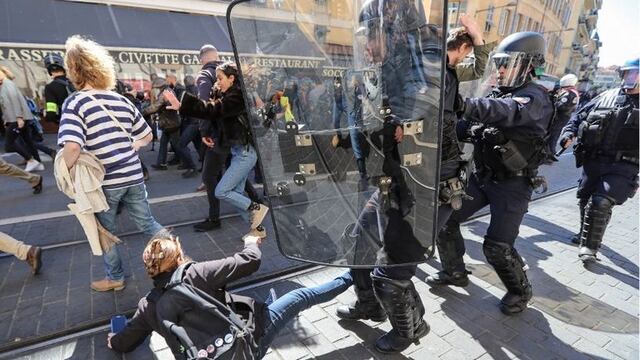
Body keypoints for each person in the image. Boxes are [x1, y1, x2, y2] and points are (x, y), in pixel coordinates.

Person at [426, 31, 554, 316]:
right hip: (482, 177)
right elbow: (468, 123)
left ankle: (520, 290)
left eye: (509, 64)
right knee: (446, 220)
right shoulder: (499, 92)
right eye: (501, 64)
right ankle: (454, 271)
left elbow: (505, 111)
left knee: (497, 247)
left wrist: (464, 105)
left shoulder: (535, 97)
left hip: (514, 183)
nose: (503, 70)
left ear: (529, 65)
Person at [107, 233, 352, 358]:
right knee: (300, 297)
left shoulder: (147, 306)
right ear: (179, 257)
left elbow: (127, 340)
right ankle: (353, 276)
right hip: (245, 347)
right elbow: (250, 260)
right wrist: (251, 241)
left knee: (255, 306)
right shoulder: (197, 273)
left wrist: (113, 340)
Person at [58, 35, 167, 292]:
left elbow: (72, 146)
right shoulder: (121, 100)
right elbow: (147, 135)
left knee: (105, 232)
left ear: (74, 69)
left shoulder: (75, 103)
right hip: (132, 175)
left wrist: (68, 174)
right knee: (147, 223)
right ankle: (176, 258)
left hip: (104, 181)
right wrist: (133, 146)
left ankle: (115, 278)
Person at [424, 14, 496, 286]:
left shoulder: (451, 69)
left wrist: (477, 37)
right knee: (438, 208)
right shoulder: (434, 67)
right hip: (434, 146)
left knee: (444, 208)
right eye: (469, 50)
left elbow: (479, 70)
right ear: (463, 49)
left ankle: (451, 268)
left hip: (443, 146)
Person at [165, 62, 269, 239]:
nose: (218, 81)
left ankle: (256, 208)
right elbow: (217, 115)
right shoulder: (229, 94)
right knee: (234, 194)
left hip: (245, 153)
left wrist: (183, 105)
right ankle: (257, 230)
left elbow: (213, 110)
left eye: (220, 78)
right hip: (239, 151)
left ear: (232, 78)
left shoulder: (237, 96)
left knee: (222, 191)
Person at [559, 57, 638, 263]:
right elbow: (578, 117)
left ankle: (590, 248)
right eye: (628, 73)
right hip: (593, 160)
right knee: (586, 200)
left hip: (624, 165)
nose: (630, 78)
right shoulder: (606, 96)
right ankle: (585, 235)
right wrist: (569, 133)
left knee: (601, 201)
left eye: (635, 74)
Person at [143, 77, 192, 177]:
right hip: (169, 122)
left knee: (177, 145)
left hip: (171, 123)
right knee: (164, 143)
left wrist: (143, 112)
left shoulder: (165, 92)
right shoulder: (167, 91)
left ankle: (188, 163)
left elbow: (155, 107)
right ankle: (161, 163)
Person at [0, 68, 45, 172]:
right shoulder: (5, 85)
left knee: (9, 144)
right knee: (28, 141)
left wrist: (19, 117)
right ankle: (38, 163)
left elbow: (15, 101)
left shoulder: (8, 85)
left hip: (16, 118)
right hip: (17, 118)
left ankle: (31, 160)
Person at [546, 73, 580, 161]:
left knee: (553, 134)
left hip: (561, 117)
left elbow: (562, 106)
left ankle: (549, 154)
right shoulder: (570, 91)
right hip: (562, 116)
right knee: (553, 134)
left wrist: (553, 103)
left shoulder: (570, 93)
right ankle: (550, 153)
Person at [43, 53, 76, 124]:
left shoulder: (50, 87)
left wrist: (47, 116)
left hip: (66, 121)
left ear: (50, 72)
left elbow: (51, 113)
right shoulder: (75, 83)